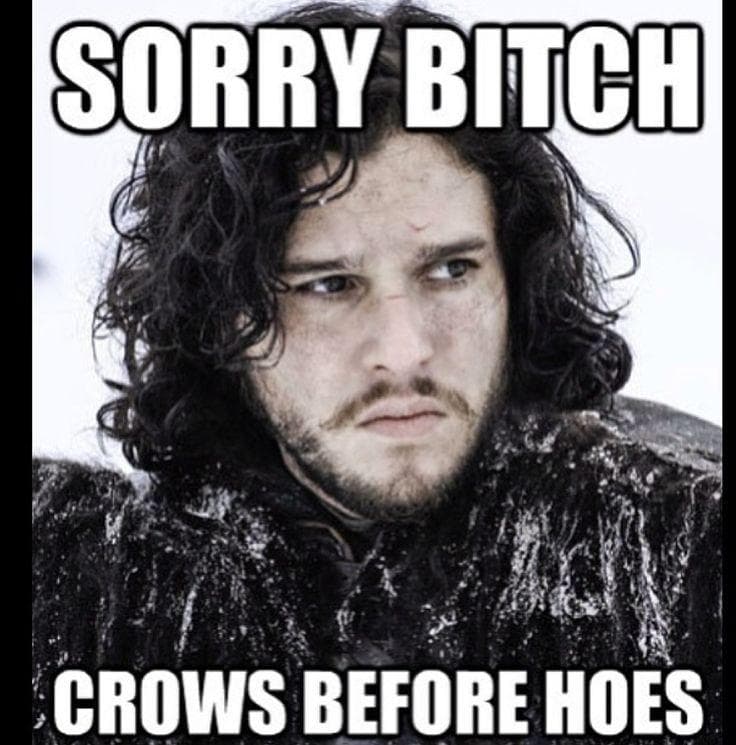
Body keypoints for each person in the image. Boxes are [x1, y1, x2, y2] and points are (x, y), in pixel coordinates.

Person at [32, 2, 721, 743]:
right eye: (330, 284)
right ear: (226, 316)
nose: (404, 349)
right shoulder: (98, 610)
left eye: (450, 270)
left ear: (516, 279)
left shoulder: (678, 559)